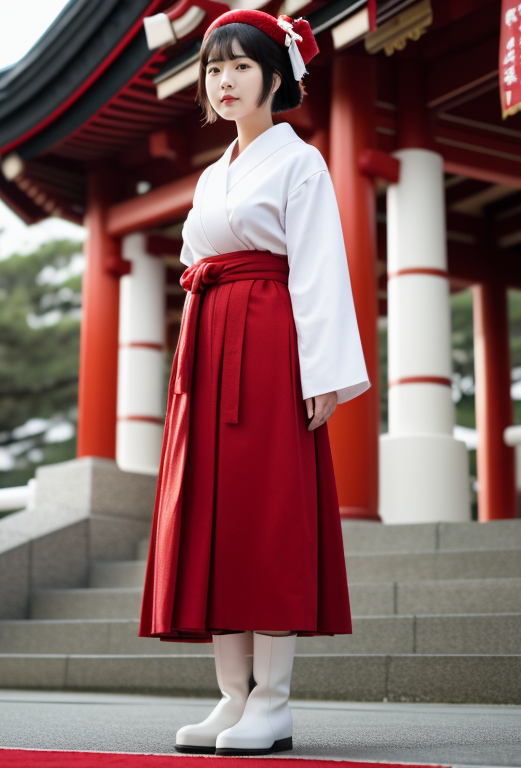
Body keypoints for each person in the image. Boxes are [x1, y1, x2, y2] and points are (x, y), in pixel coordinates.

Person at [138, 8, 370, 757]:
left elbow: (319, 265)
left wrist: (322, 370)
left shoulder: (300, 161)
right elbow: (192, 263)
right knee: (215, 515)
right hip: (210, 343)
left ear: (275, 77)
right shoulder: (214, 174)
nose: (224, 80)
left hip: (271, 343)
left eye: (240, 65)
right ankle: (232, 697)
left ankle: (273, 700)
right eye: (213, 68)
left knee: (267, 511)